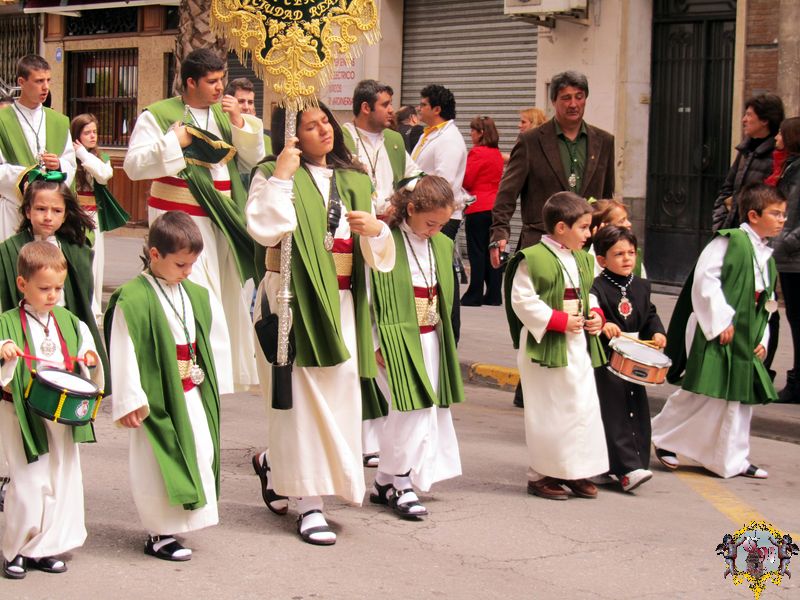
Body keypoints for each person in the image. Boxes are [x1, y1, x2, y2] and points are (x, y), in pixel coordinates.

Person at [246, 104, 395, 545]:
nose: (323, 130)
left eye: (325, 121)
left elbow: (379, 257)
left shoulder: (355, 180)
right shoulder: (272, 173)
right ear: (291, 136)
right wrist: (282, 176)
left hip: (344, 303)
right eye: (310, 126)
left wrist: (377, 231)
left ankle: (274, 463)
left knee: (340, 399)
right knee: (302, 406)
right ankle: (311, 505)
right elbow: (263, 229)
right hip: (294, 301)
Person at [123, 48, 264, 394]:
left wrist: (240, 124)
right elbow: (134, 166)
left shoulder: (224, 114)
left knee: (224, 295)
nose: (220, 88)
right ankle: (190, 371)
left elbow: (253, 160)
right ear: (190, 82)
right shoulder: (158, 115)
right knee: (197, 295)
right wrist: (175, 141)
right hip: (180, 221)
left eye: (222, 80)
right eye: (212, 81)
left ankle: (213, 375)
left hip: (221, 222)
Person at [105, 211, 220, 562]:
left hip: (189, 389)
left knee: (200, 451)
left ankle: (183, 520)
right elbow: (123, 348)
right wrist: (129, 399)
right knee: (158, 462)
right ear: (154, 254)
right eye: (181, 264)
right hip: (154, 395)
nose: (188, 272)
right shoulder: (133, 298)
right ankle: (159, 532)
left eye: (192, 264)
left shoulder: (193, 294)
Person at [653, 183, 786, 479]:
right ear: (753, 215)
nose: (782, 220)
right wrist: (721, 320)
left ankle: (731, 459)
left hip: (746, 335)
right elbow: (705, 280)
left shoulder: (765, 254)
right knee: (702, 392)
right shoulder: (729, 241)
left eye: (783, 214)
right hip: (718, 330)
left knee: (738, 398)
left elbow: (766, 303)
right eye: (776, 213)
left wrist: (763, 338)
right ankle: (663, 437)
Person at [0, 241, 102, 580]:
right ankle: (16, 550)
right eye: (44, 288)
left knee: (62, 479)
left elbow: (86, 352)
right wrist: (5, 349)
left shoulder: (69, 320)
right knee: (30, 481)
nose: (53, 295)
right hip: (22, 414)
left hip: (61, 414)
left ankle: (46, 547)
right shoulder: (7, 321)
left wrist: (88, 360)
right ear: (22, 284)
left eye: (58, 288)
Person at [369, 175, 463, 519]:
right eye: (429, 223)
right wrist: (375, 342)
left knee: (420, 409)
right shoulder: (386, 240)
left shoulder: (441, 244)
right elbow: (369, 296)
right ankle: (401, 483)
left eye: (442, 225)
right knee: (409, 410)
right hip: (396, 338)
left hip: (430, 338)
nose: (434, 231)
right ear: (410, 209)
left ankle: (384, 481)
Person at [504, 192, 608, 501]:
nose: (589, 234)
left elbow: (589, 292)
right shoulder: (532, 258)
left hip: (576, 343)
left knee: (582, 406)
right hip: (545, 344)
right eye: (584, 227)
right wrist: (559, 320)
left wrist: (596, 315)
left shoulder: (583, 258)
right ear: (561, 227)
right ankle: (541, 475)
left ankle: (574, 470)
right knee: (549, 410)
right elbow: (522, 300)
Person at [341, 79, 422, 467]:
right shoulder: (342, 138)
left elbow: (414, 178)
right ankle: (359, 436)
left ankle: (378, 434)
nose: (392, 110)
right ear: (364, 107)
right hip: (351, 242)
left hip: (385, 241)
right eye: (386, 104)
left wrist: (399, 204)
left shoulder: (394, 140)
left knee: (378, 328)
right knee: (361, 331)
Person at [490, 71, 615, 267]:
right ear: (554, 101)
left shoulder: (604, 141)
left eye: (579, 97)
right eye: (566, 98)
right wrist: (499, 232)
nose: (573, 104)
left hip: (587, 248)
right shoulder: (531, 141)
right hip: (541, 245)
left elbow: (606, 198)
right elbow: (507, 193)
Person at [0, 176, 108, 390]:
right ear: (27, 211)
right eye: (41, 209)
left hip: (61, 332)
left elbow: (85, 302)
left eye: (57, 210)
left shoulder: (78, 252)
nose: (48, 217)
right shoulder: (8, 252)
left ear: (65, 214)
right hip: (23, 331)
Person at [590, 226, 666, 492]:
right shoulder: (596, 286)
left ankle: (634, 462)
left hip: (635, 358)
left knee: (637, 408)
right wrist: (604, 323)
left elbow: (650, 313)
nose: (627, 259)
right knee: (614, 412)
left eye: (631, 253)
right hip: (608, 357)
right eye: (618, 254)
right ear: (602, 260)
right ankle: (625, 469)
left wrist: (657, 332)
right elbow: (592, 311)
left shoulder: (641, 285)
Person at [412, 84, 469, 342]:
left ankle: (449, 332)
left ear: (436, 109)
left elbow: (443, 181)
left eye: (424, 104)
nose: (419, 108)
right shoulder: (430, 134)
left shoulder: (449, 139)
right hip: (427, 211)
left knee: (443, 273)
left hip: (440, 215)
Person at [0, 55, 76, 241]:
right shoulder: (3, 120)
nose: (45, 87)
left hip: (49, 214)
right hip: (14, 210)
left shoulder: (58, 121)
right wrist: (27, 176)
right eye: (39, 81)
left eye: (48, 80)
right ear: (21, 82)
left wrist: (58, 164)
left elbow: (71, 163)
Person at [71, 113, 129, 315]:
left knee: (94, 259)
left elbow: (104, 175)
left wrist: (83, 155)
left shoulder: (101, 157)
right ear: (77, 135)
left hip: (92, 215)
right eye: (87, 132)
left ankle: (92, 305)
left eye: (94, 132)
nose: (92, 136)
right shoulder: (67, 156)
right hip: (72, 214)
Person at [712, 94, 785, 232]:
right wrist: (720, 223)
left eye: (749, 115)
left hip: (758, 236)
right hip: (733, 232)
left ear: (764, 120)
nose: (743, 120)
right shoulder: (745, 151)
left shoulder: (778, 155)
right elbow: (726, 190)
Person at [461, 115, 504, 306]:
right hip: (495, 206)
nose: (470, 133)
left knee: (477, 252)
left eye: (473, 130)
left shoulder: (477, 152)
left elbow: (468, 180)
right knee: (492, 251)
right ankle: (494, 294)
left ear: (481, 133)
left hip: (478, 206)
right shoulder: (497, 153)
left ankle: (475, 294)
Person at [772, 117, 800, 403]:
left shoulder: (797, 170)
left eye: (781, 133)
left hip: (794, 258)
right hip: (790, 257)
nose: (777, 137)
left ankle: (798, 383)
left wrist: (783, 243)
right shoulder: (790, 167)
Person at [587, 199, 646, 277]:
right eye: (622, 221)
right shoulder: (586, 257)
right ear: (604, 227)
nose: (629, 224)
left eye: (631, 253)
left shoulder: (634, 253)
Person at [224, 77, 273, 155]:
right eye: (241, 101)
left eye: (250, 102)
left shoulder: (267, 139)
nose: (246, 107)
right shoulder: (222, 133)